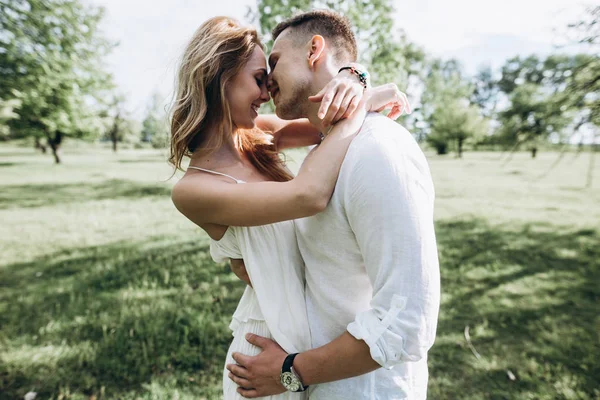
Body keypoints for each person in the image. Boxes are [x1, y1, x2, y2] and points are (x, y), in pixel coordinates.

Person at [169, 16, 411, 400]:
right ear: (219, 78)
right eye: (258, 79)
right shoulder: (193, 189)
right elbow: (308, 195)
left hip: (310, 342)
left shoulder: (259, 135)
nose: (266, 93)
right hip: (264, 351)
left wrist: (353, 77)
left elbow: (325, 121)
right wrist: (362, 102)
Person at [225, 10, 440, 400]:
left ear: (314, 49)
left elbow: (408, 321)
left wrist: (290, 372)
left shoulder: (378, 151)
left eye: (274, 63)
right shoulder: (326, 150)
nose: (267, 80)